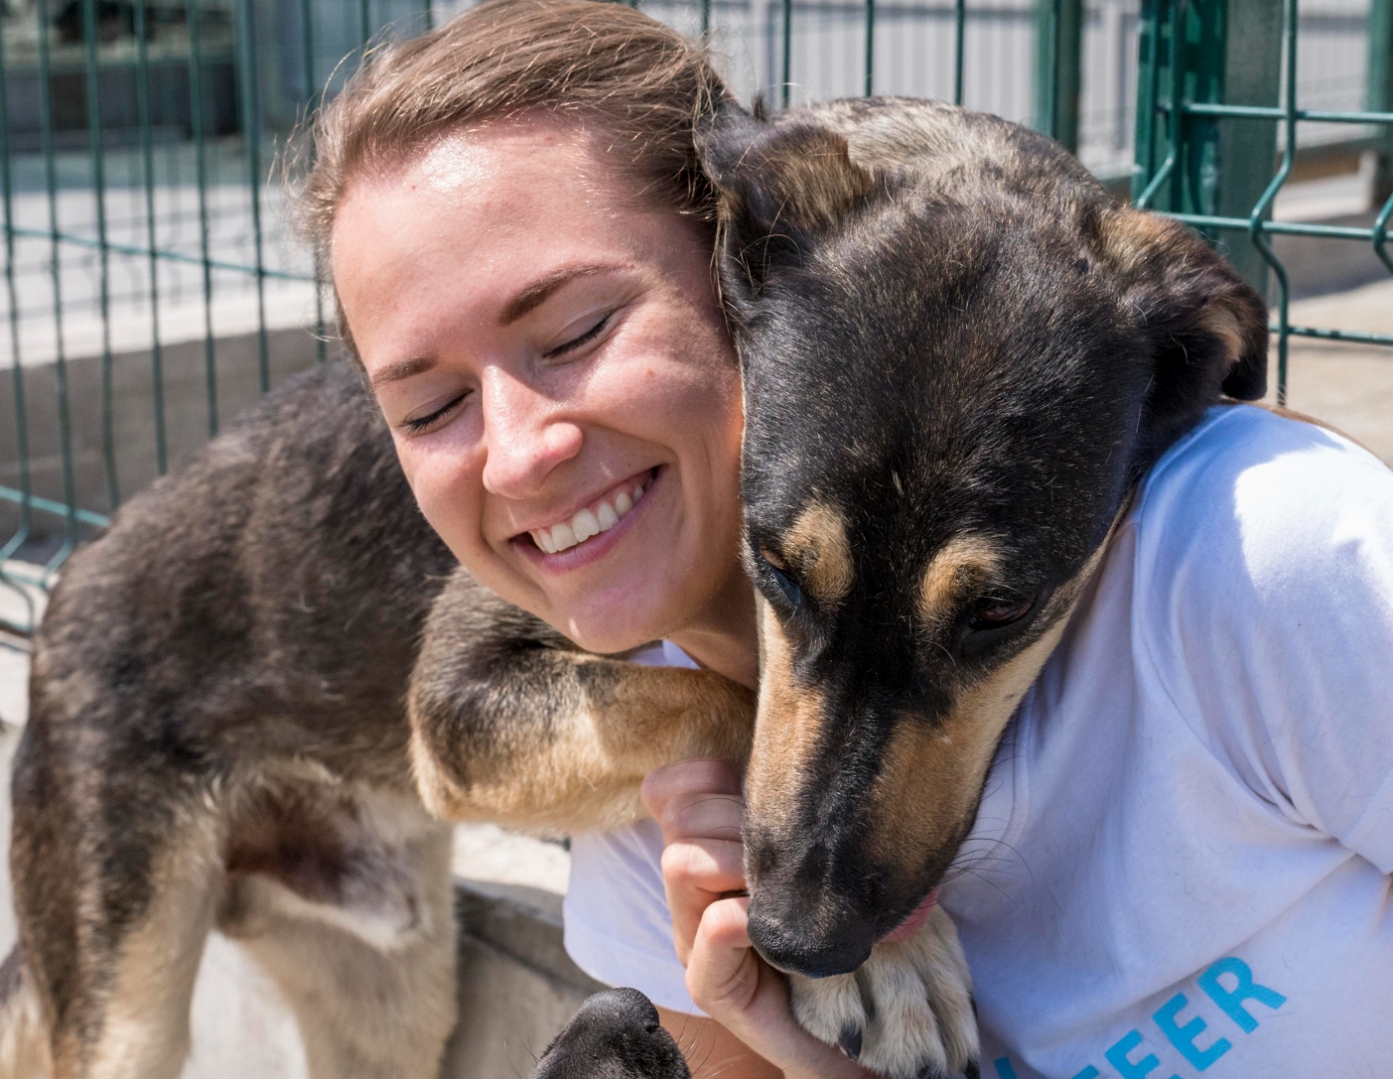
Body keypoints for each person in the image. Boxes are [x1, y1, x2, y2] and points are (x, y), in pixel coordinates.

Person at [305, 2, 1393, 1077]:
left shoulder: (1264, 557)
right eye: (428, 407)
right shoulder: (661, 806)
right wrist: (781, 1045)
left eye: (578, 330)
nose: (518, 455)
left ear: (729, 280)